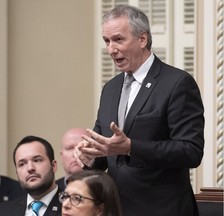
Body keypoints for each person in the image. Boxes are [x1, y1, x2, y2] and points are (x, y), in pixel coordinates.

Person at [74, 4, 204, 216]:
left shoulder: (177, 83)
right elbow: (105, 152)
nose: (110, 49)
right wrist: (90, 158)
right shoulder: (110, 88)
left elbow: (191, 151)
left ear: (142, 39)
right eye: (106, 41)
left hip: (163, 209)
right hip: (119, 209)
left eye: (118, 39)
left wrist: (131, 147)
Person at [0, 135, 62, 216]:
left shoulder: (73, 206)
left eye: (37, 160)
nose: (30, 168)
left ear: (53, 166)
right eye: (22, 164)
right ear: (17, 172)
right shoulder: (1, 211)